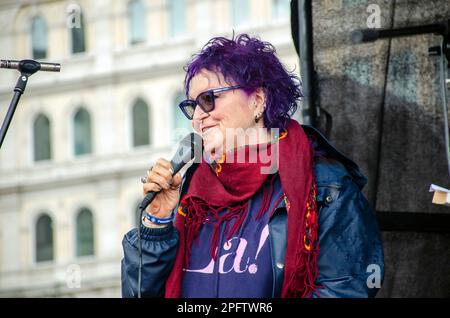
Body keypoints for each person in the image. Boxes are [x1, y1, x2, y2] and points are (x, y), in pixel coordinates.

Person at [121, 34, 384, 298]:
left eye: (209, 99)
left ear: (257, 100)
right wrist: (156, 224)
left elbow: (344, 291)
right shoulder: (189, 189)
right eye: (192, 106)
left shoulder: (326, 184)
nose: (199, 117)